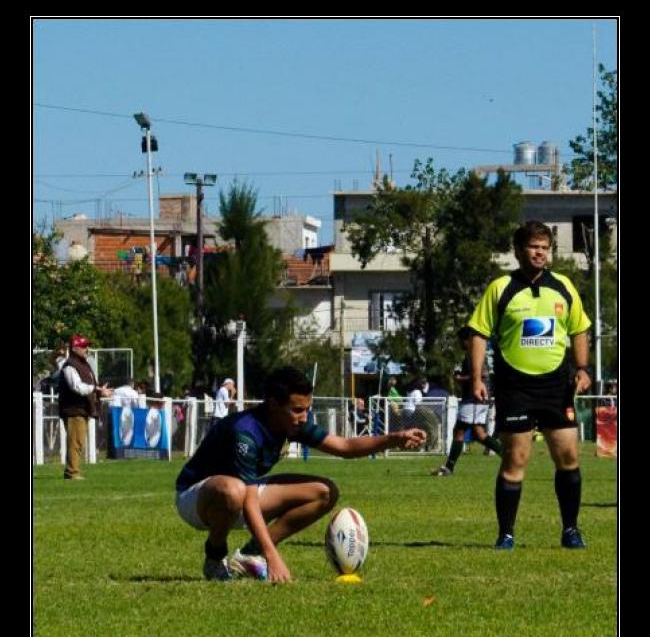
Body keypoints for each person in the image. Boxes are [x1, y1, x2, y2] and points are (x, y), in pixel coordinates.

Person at [175, 366, 426, 583]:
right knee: (233, 491)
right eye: (297, 409)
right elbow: (248, 499)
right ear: (274, 404)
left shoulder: (290, 423)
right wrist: (274, 557)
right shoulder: (245, 432)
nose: (304, 416)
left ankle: (251, 555)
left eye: (307, 408)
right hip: (197, 499)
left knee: (324, 493)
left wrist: (393, 439)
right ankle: (215, 558)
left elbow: (345, 447)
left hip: (243, 492)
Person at [467, 220, 592, 550]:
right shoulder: (500, 288)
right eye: (534, 247)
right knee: (515, 458)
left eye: (545, 248)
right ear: (518, 251)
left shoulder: (563, 286)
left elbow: (580, 329)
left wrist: (582, 368)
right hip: (515, 388)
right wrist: (477, 378)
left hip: (556, 387)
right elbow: (478, 333)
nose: (540, 253)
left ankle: (571, 530)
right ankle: (505, 534)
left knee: (568, 455)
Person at [433, 327, 502, 476]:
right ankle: (508, 456)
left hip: (473, 398)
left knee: (459, 431)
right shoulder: (474, 355)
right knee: (479, 434)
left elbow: (478, 376)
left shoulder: (473, 355)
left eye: (460, 340)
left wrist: (459, 378)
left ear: (467, 340)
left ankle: (449, 467)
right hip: (478, 398)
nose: (459, 344)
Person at [58, 334, 112, 480]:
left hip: (82, 409)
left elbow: (90, 386)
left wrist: (100, 390)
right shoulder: (69, 366)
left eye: (87, 345)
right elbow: (77, 387)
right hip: (73, 409)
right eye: (83, 346)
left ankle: (72, 470)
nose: (87, 348)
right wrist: (96, 389)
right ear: (74, 348)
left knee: (79, 441)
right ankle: (72, 472)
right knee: (76, 442)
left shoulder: (84, 364)